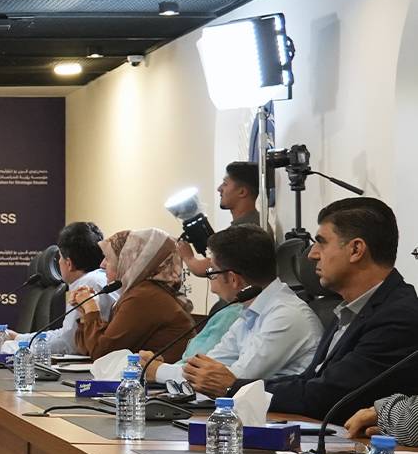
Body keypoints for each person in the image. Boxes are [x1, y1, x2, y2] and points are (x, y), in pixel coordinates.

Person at [247, 197, 418, 421]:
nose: (312, 254)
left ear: (356, 249)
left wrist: (236, 389)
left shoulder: (398, 316)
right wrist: (240, 390)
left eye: (322, 242)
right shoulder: (348, 307)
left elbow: (327, 396)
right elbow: (310, 380)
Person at [141, 225, 321, 395]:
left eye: (212, 273)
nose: (212, 287)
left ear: (233, 279)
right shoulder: (251, 312)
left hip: (279, 414)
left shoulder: (286, 316)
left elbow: (230, 381)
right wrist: (156, 368)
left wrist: (157, 371)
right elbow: (208, 367)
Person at [71, 227, 194, 360]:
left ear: (128, 261)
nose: (102, 264)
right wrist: (84, 313)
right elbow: (88, 350)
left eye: (108, 258)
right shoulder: (140, 291)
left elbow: (102, 353)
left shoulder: (145, 296)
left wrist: (91, 308)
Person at [18, 222, 116, 354]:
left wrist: (15, 348)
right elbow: (65, 334)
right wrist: (18, 338)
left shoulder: (86, 286)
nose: (58, 262)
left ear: (69, 263)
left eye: (60, 257)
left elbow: (68, 345)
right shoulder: (98, 278)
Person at [179, 161, 261, 277]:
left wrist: (188, 256)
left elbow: (207, 268)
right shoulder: (246, 226)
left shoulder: (246, 231)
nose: (219, 189)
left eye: (225, 184)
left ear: (242, 192)